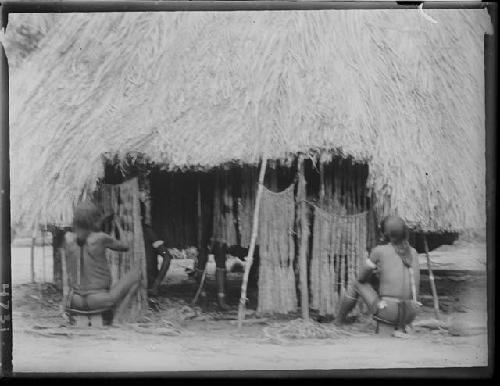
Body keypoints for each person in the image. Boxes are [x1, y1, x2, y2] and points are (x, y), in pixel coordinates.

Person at [336, 215, 421, 333]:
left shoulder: (379, 250)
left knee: (356, 283)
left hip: (388, 312)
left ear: (385, 234)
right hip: (411, 313)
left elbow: (361, 278)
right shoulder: (413, 252)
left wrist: (375, 272)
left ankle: (338, 322)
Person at [64, 201, 141, 313]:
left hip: (74, 301)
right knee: (137, 273)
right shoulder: (101, 238)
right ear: (95, 220)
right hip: (99, 301)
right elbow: (125, 246)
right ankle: (119, 319)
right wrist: (118, 225)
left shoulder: (69, 239)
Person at [140, 200, 173, 298]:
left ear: (140, 216)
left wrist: (156, 284)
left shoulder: (149, 233)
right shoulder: (125, 234)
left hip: (147, 281)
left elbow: (167, 257)